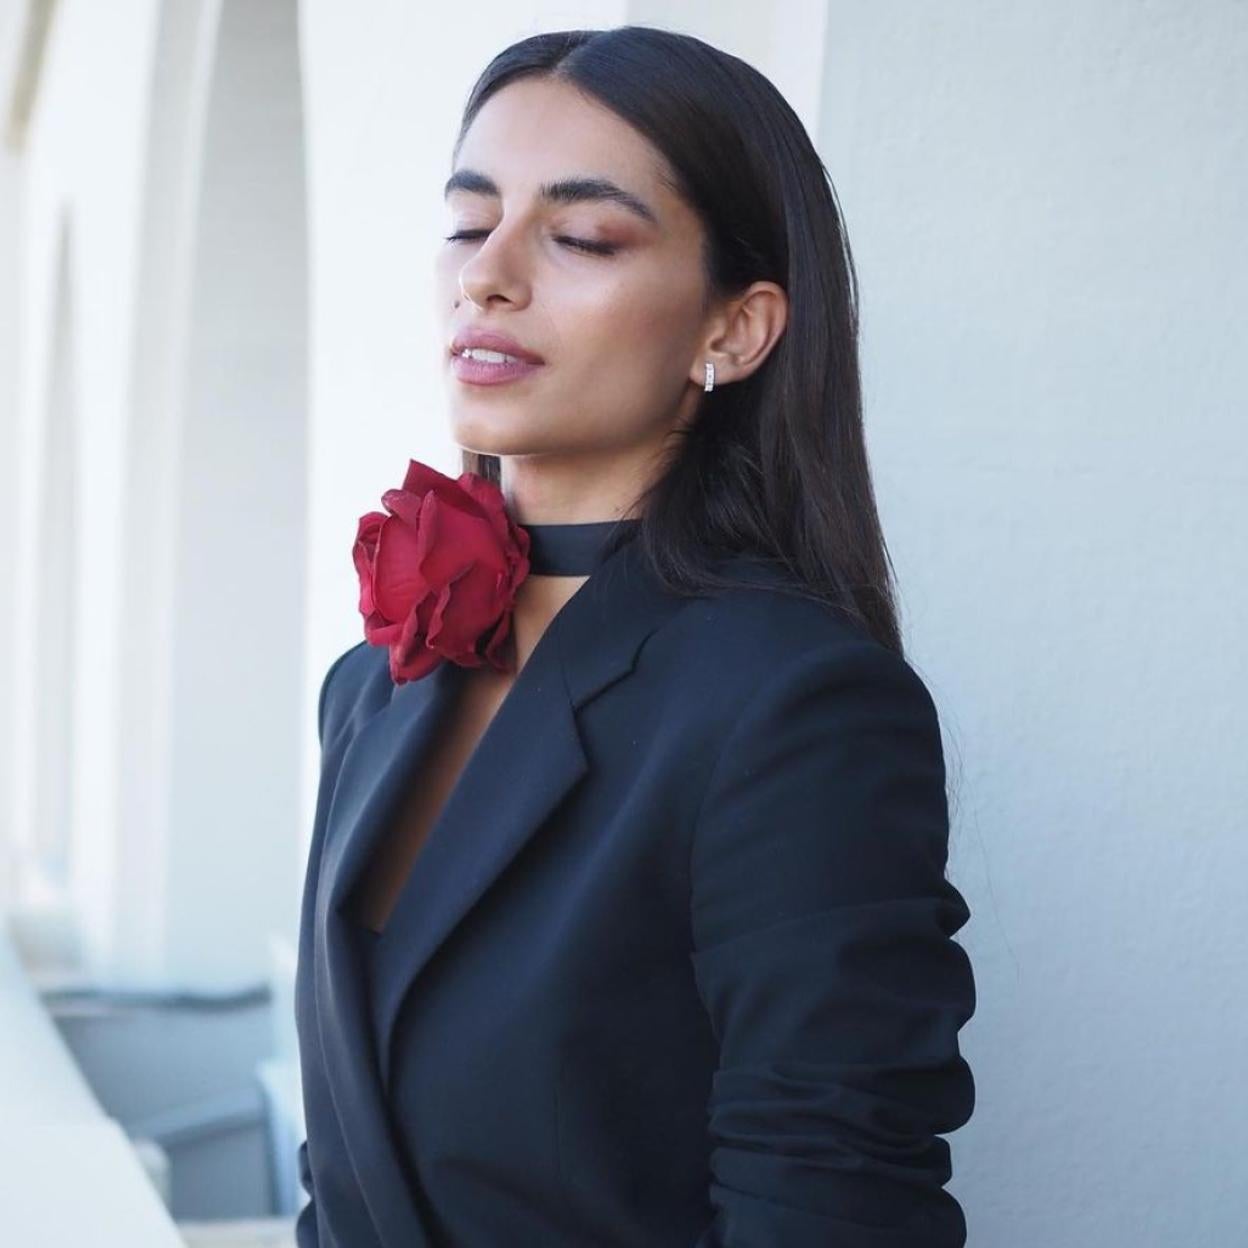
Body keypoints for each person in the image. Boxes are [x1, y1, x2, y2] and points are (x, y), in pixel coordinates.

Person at [294, 24, 976, 1248]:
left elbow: (828, 1206)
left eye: (582, 237)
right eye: (468, 222)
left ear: (735, 330)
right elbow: (342, 1173)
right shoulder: (373, 683)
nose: (488, 276)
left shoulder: (797, 705)